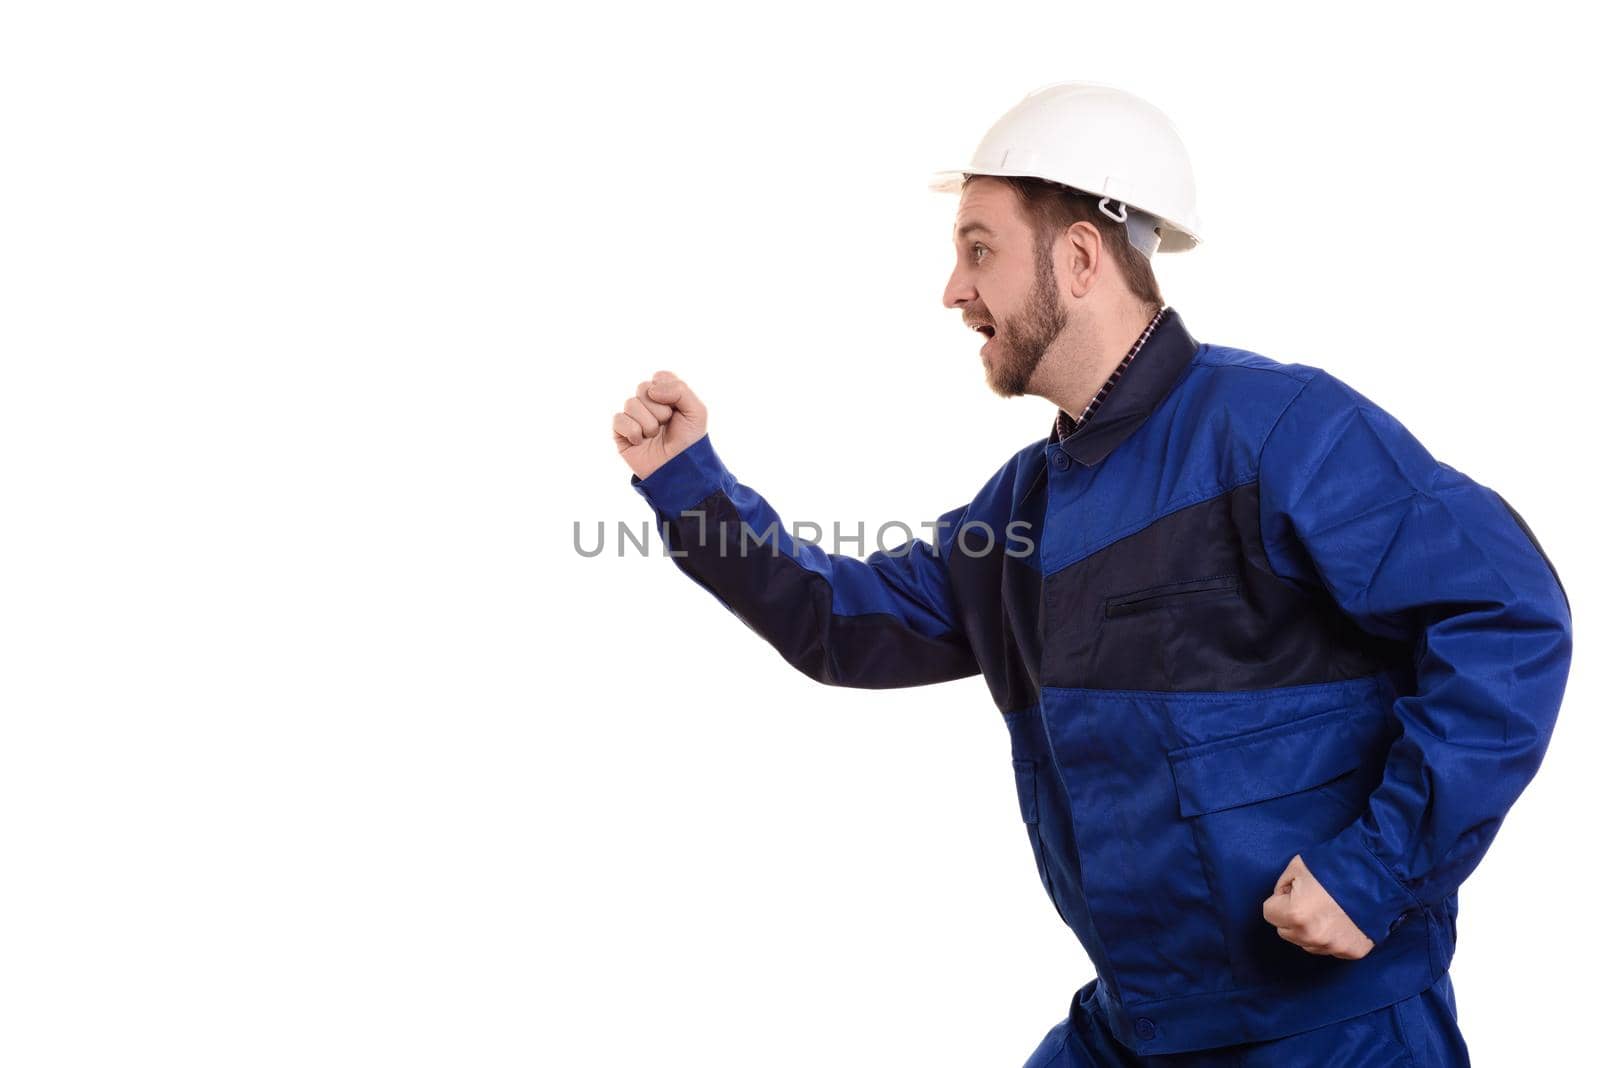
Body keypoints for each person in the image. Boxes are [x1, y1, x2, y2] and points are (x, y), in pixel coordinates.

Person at [609, 82, 1572, 1066]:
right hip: (1138, 1028)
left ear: (1076, 258)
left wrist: (1375, 872)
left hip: (1327, 1032)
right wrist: (687, 485)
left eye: (978, 248)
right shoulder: (1019, 512)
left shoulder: (1282, 433)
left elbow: (1507, 614)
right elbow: (838, 619)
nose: (952, 288)